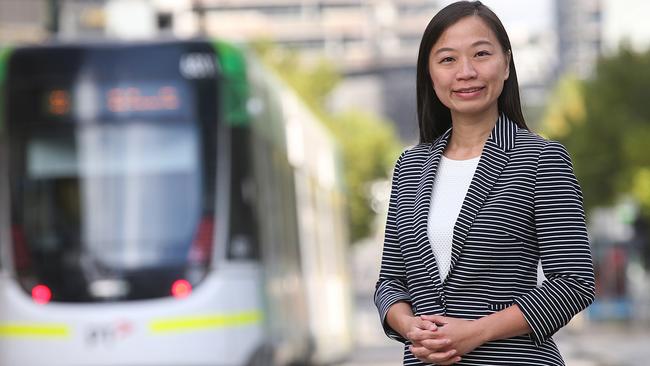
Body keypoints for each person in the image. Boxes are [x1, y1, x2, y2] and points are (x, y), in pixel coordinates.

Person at [374, 1, 595, 365]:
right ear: (429, 73)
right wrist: (411, 326)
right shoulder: (409, 166)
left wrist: (476, 332)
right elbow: (390, 282)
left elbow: (572, 282)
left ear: (506, 64)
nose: (466, 72)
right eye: (447, 59)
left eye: (481, 54)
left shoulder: (541, 159)